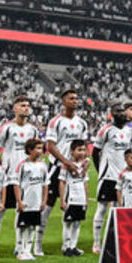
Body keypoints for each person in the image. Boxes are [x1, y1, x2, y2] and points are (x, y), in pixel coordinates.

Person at [44, 89, 88, 254]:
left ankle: (69, 245)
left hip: (74, 170)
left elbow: (84, 143)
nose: (75, 101)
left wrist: (86, 161)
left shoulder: (82, 122)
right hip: (57, 168)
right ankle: (37, 245)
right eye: (71, 98)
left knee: (73, 207)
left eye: (76, 98)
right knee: (47, 206)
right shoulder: (56, 121)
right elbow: (51, 146)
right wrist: (66, 162)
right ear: (63, 101)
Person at [0, 96, 39, 246]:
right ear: (15, 108)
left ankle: (20, 246)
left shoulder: (33, 130)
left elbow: (37, 151)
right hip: (8, 176)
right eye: (22, 105)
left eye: (28, 105)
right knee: (0, 210)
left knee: (23, 210)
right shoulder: (7, 128)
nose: (26, 108)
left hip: (26, 177)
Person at [92, 104, 132, 253]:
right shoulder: (106, 130)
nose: (122, 114)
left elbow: (131, 152)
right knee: (102, 208)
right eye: (118, 111)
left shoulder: (130, 132)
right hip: (108, 176)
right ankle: (97, 244)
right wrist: (101, 172)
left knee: (119, 209)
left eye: (123, 111)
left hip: (123, 177)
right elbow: (95, 152)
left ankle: (116, 241)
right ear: (112, 114)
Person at [15, 139, 48, 261]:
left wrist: (44, 201)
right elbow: (16, 184)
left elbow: (45, 184)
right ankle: (20, 250)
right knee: (22, 227)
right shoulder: (23, 165)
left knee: (33, 226)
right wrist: (19, 201)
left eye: (41, 148)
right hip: (25, 202)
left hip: (37, 202)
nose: (40, 151)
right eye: (38, 148)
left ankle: (28, 250)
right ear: (30, 150)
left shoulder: (43, 166)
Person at [58, 140, 90, 257]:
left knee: (77, 223)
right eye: (79, 150)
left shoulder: (84, 166)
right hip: (70, 197)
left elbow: (85, 182)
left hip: (80, 198)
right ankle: (66, 247)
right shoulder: (66, 165)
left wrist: (86, 200)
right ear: (72, 152)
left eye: (83, 150)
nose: (81, 153)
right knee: (67, 222)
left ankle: (73, 246)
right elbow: (62, 182)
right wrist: (62, 200)